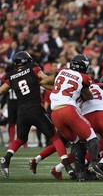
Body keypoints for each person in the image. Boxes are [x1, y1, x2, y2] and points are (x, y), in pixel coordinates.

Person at [0, 51, 74, 179]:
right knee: (55, 138)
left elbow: (1, 91)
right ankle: (67, 166)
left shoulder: (10, 75)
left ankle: (6, 159)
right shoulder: (32, 67)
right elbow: (44, 79)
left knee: (20, 139)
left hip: (22, 111)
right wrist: (59, 81)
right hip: (36, 109)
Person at [47, 54, 103, 181]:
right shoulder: (84, 78)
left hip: (54, 113)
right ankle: (93, 164)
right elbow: (88, 96)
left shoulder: (61, 71)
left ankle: (80, 174)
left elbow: (54, 83)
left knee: (76, 141)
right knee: (92, 137)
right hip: (68, 109)